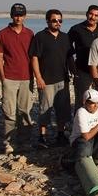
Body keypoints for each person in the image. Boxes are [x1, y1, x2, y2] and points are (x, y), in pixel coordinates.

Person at [29, 9, 72, 148]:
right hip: (46, 80)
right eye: (54, 20)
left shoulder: (65, 37)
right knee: (45, 109)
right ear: (47, 21)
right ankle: (42, 136)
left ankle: (60, 134)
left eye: (60, 20)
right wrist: (38, 77)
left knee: (62, 109)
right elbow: (34, 57)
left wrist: (74, 73)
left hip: (62, 80)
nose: (57, 23)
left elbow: (69, 57)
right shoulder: (40, 37)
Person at [0, 3, 34, 155]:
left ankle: (24, 142)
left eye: (21, 14)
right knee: (9, 111)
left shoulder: (30, 33)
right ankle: (8, 142)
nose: (18, 17)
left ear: (25, 16)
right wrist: (2, 76)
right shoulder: (2, 34)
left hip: (27, 77)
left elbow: (33, 57)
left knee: (25, 111)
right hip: (9, 77)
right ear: (11, 15)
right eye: (16, 14)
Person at [68, 5, 98, 110]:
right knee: (81, 101)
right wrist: (73, 71)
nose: (93, 17)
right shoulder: (76, 29)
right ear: (87, 14)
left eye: (96, 15)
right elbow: (68, 51)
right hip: (82, 71)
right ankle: (78, 124)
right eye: (91, 14)